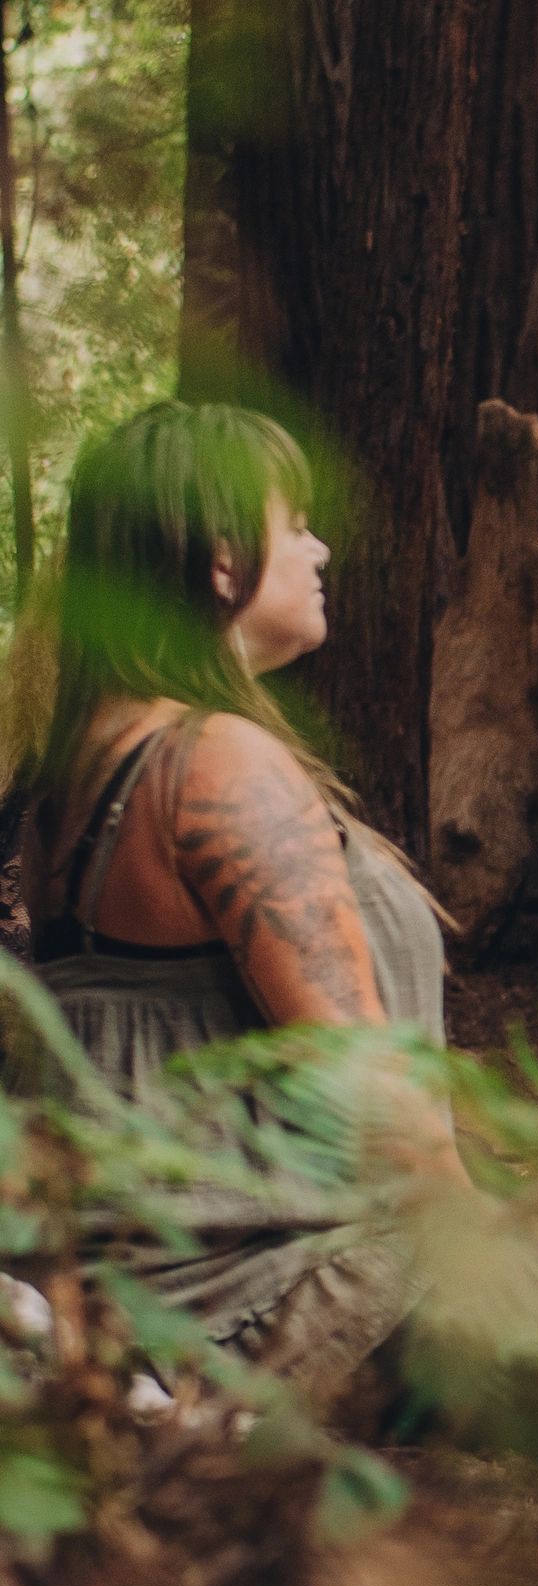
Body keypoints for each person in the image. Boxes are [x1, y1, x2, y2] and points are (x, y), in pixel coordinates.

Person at [6, 400, 454, 1409]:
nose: (320, 548)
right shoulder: (215, 761)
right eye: (295, 522)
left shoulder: (76, 770)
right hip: (261, 1286)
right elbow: (364, 1079)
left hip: (137, 1271)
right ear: (220, 560)